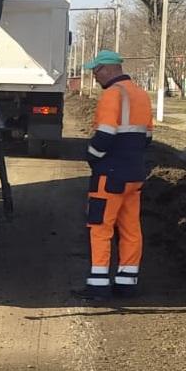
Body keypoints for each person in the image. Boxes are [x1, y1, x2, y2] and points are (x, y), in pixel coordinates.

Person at [79, 50, 153, 299]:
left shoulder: (113, 95)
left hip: (109, 176)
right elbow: (147, 137)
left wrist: (91, 156)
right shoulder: (141, 94)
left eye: (96, 71)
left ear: (108, 69)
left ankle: (98, 284)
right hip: (134, 174)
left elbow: (104, 136)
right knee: (131, 228)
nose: (95, 76)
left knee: (100, 227)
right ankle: (126, 282)